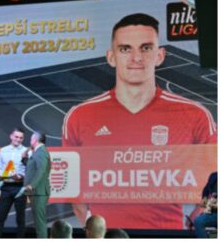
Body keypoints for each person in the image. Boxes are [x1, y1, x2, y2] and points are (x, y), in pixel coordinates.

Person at [62, 13, 217, 229]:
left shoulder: (195, 114)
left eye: (146, 48)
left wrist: (194, 221)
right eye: (125, 49)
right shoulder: (79, 116)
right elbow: (73, 190)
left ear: (160, 55)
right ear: (111, 57)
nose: (136, 58)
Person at [0, 128, 28, 238]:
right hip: (6, 187)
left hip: (20, 187)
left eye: (21, 137)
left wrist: (21, 176)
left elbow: (29, 170)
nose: (18, 139)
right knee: (0, 217)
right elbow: (0, 167)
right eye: (16, 137)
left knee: (20, 218)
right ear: (11, 136)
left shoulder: (26, 151)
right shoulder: (3, 150)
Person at [25, 131, 50, 239]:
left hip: (38, 191)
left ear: (35, 140)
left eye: (31, 139)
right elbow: (32, 168)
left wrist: (32, 185)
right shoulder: (37, 152)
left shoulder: (41, 152)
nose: (30, 141)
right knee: (38, 221)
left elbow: (41, 170)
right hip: (37, 192)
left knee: (40, 222)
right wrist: (24, 158)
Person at [190, 172, 217, 238]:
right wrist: (202, 210)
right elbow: (206, 192)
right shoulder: (214, 176)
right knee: (198, 221)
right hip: (215, 214)